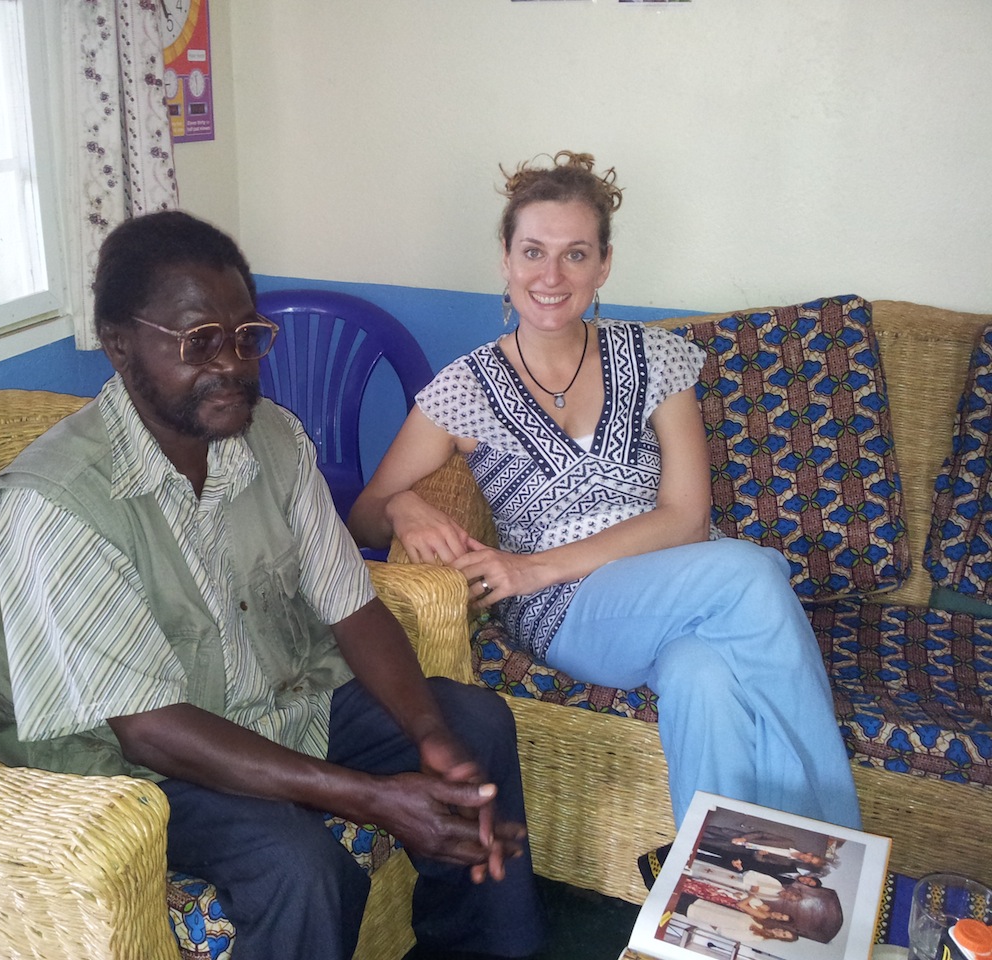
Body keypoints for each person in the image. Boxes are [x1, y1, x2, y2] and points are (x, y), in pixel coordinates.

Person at [0, 211, 545, 960]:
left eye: (247, 336)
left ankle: (480, 950)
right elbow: (148, 729)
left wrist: (429, 735)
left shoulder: (271, 437)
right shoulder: (56, 503)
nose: (233, 364)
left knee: (473, 723)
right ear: (119, 344)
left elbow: (352, 605)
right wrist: (373, 798)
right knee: (298, 867)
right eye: (199, 341)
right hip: (127, 769)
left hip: (275, 700)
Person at [347, 150, 862, 830]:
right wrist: (404, 505)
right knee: (752, 572)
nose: (551, 276)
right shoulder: (465, 388)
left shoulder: (655, 357)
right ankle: (828, 856)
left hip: (674, 580)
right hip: (565, 611)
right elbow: (363, 515)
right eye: (533, 252)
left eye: (575, 254)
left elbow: (686, 518)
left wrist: (533, 564)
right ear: (505, 260)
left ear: (604, 265)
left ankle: (718, 882)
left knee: (703, 678)